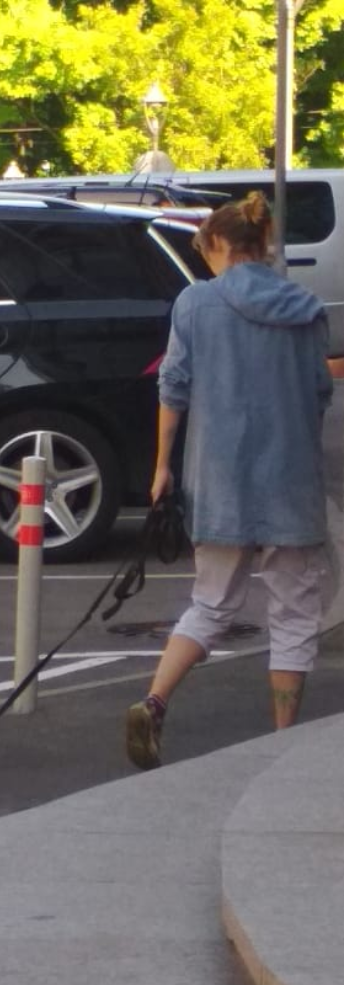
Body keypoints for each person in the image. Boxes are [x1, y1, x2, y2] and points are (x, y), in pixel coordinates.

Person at [125, 190, 333, 770]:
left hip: (218, 478)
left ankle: (155, 699)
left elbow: (174, 387)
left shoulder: (195, 305)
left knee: (211, 604)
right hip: (290, 480)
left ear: (218, 244)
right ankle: (281, 736)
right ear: (262, 246)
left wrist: (162, 466)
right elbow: (320, 393)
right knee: (293, 612)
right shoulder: (307, 309)